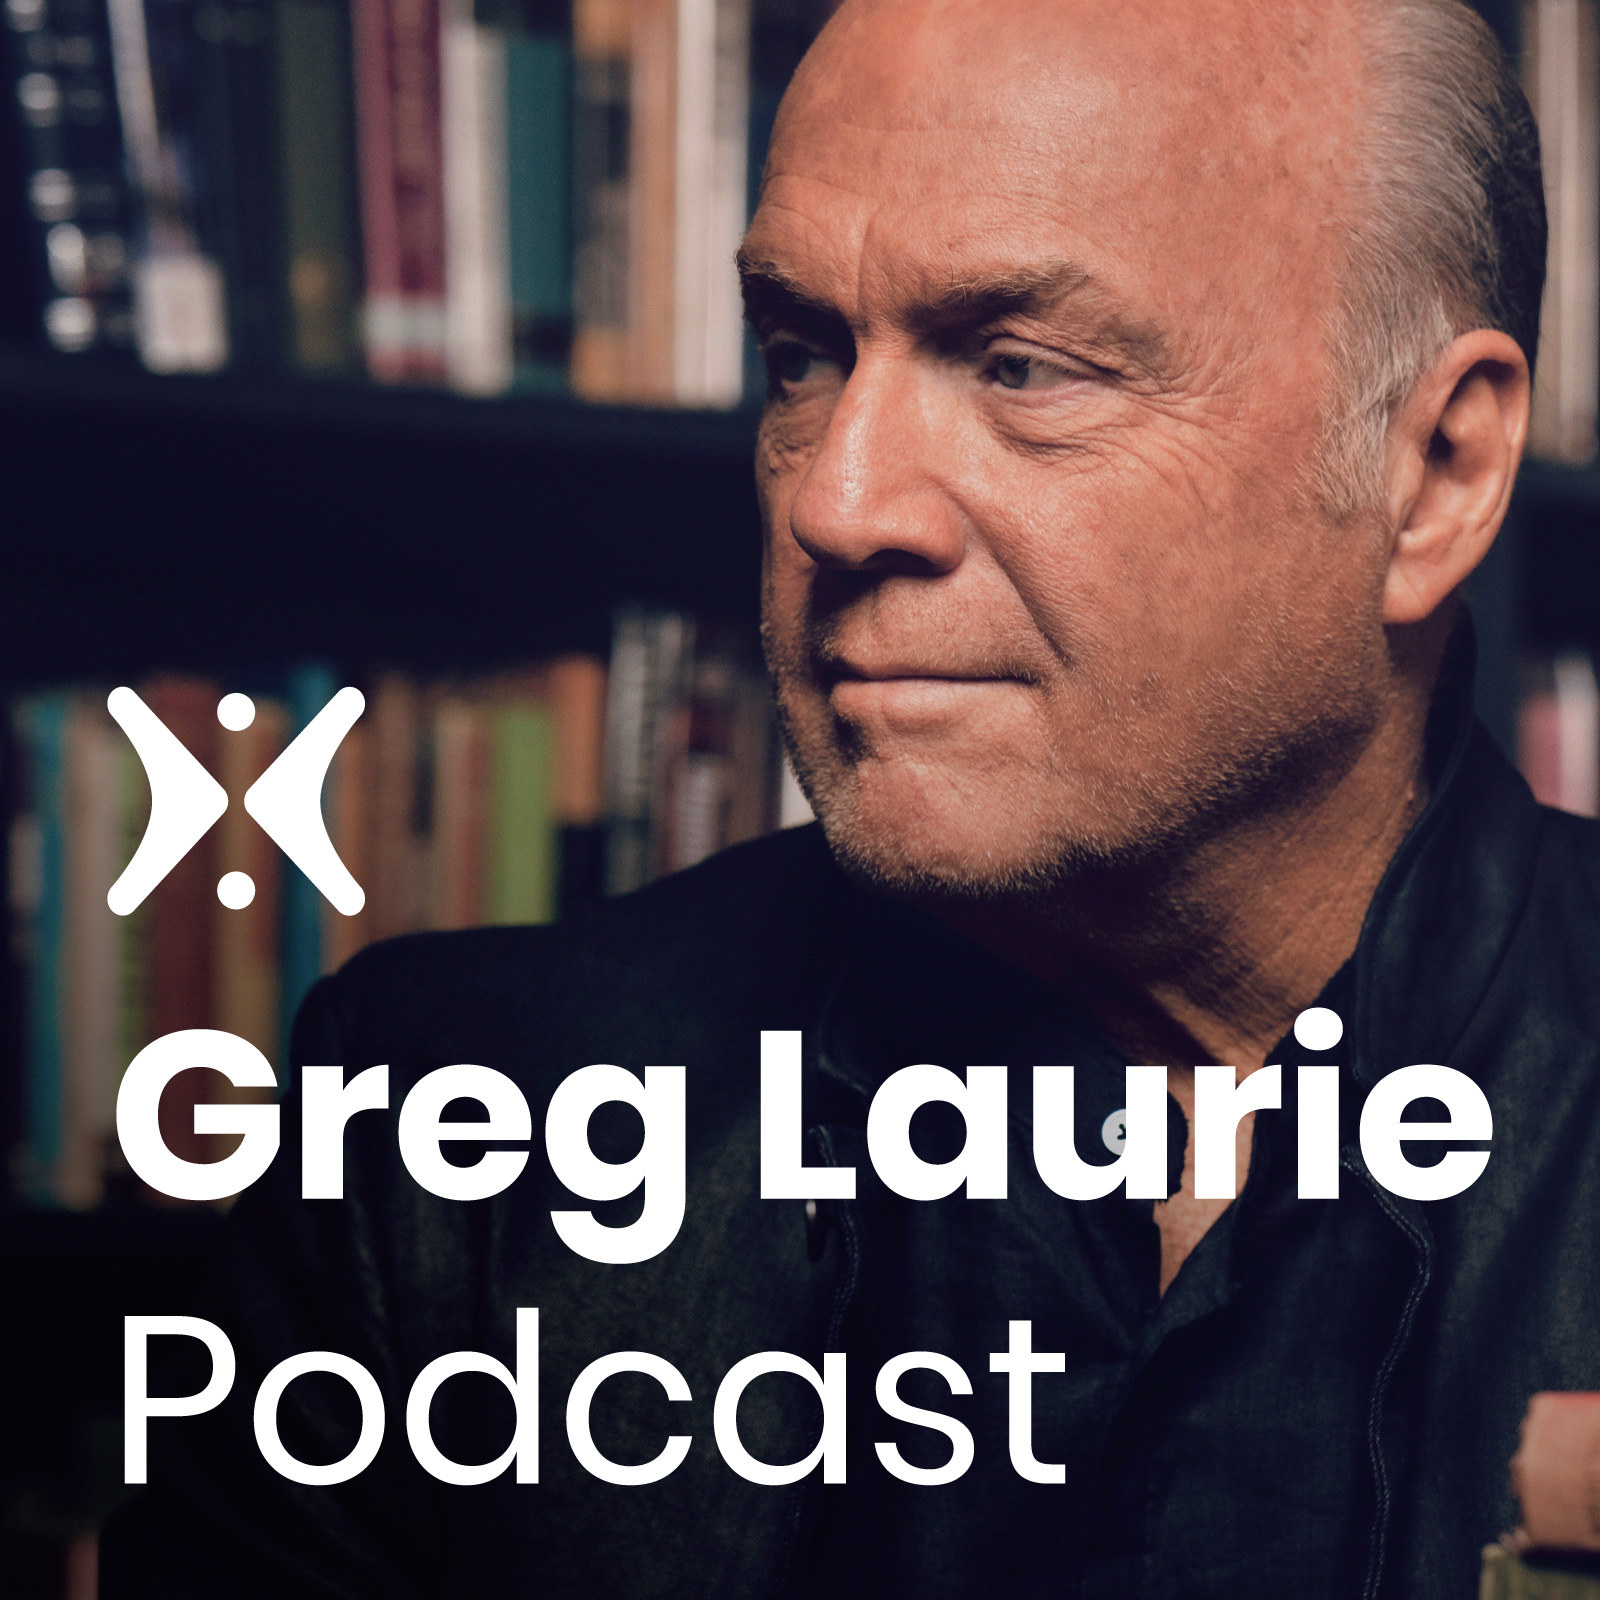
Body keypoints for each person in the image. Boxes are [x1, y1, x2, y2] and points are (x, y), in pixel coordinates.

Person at [104, 2, 1597, 1597]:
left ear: (1435, 473)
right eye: (803, 357)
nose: (836, 500)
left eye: (1022, 367)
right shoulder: (446, 1143)